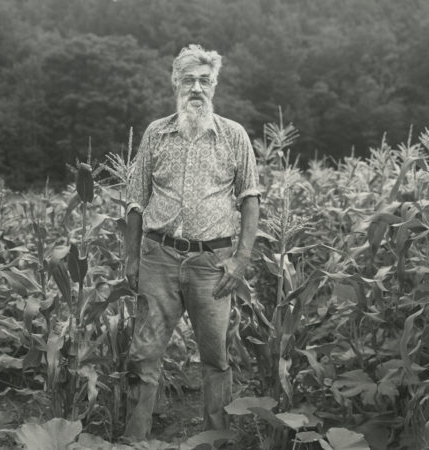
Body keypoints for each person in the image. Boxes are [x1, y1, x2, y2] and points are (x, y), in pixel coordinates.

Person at [122, 44, 261, 441]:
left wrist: (241, 260)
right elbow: (135, 200)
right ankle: (135, 440)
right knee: (144, 355)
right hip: (158, 258)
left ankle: (213, 440)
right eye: (188, 80)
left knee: (215, 359)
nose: (196, 88)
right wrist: (132, 258)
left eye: (204, 80)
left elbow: (250, 198)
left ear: (214, 86)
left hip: (212, 264)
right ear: (175, 84)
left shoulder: (233, 136)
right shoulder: (156, 133)